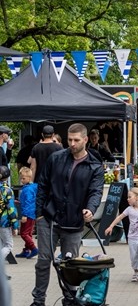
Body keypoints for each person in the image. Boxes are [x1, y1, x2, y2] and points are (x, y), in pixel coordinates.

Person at [32, 123, 104, 306]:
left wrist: (91, 209)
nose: (72, 143)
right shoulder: (56, 158)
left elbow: (96, 192)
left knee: (70, 264)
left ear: (85, 140)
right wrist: (39, 214)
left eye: (76, 140)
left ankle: (70, 299)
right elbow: (43, 185)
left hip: (73, 221)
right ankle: (38, 300)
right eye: (69, 139)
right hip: (49, 218)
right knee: (43, 261)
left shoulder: (94, 165)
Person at [105, 187, 138, 283]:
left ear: (137, 198)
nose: (127, 199)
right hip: (132, 238)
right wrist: (111, 226)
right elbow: (119, 217)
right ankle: (135, 272)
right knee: (134, 256)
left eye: (130, 197)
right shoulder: (129, 209)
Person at [15, 167, 38, 259]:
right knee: (28, 233)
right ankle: (26, 250)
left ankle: (33, 248)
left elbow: (28, 203)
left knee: (24, 233)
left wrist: (25, 214)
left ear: (29, 178)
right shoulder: (30, 188)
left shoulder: (27, 190)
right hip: (31, 214)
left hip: (28, 214)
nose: (21, 180)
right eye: (21, 178)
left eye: (23, 178)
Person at [0, 165, 18, 266]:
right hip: (4, 222)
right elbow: (11, 209)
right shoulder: (7, 190)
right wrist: (15, 225)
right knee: (8, 245)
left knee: (2, 244)